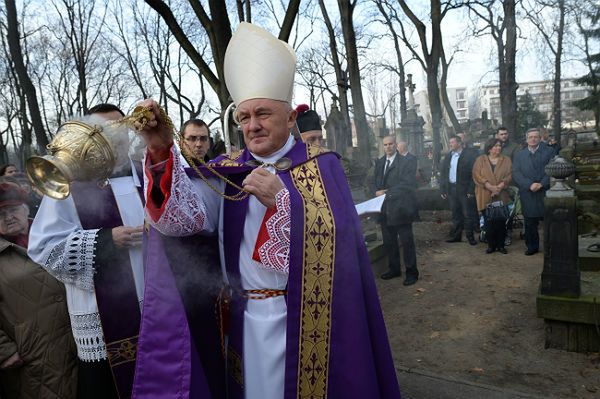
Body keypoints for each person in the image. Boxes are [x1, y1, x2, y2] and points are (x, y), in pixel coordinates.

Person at [137, 22, 401, 399]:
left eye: (263, 113)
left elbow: (343, 250)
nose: (253, 125)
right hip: (244, 319)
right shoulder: (227, 172)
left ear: (291, 118)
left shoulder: (322, 166)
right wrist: (163, 152)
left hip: (306, 320)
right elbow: (183, 220)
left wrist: (285, 201)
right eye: (244, 117)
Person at [28, 104, 145, 399]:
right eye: (105, 130)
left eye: (121, 129)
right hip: (102, 316)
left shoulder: (144, 175)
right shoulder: (68, 183)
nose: (114, 137)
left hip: (152, 307)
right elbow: (43, 247)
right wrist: (106, 241)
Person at [0, 180, 77, 399]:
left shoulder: (54, 234)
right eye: (0, 215)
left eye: (13, 210)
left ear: (26, 209)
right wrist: (4, 351)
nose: (8, 217)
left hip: (80, 338)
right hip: (35, 354)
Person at [374, 136, 419, 285]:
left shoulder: (406, 162)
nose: (388, 147)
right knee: (389, 241)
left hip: (401, 208)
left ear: (396, 145)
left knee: (407, 242)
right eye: (385, 144)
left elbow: (407, 184)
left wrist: (386, 192)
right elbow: (376, 183)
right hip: (384, 209)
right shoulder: (380, 162)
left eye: (391, 144)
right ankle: (394, 269)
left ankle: (412, 272)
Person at [512, 128, 555, 256]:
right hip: (528, 192)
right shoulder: (520, 155)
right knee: (529, 222)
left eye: (536, 137)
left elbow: (552, 169)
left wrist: (542, 183)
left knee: (549, 221)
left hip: (544, 191)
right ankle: (532, 246)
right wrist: (529, 184)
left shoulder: (549, 151)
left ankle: (551, 246)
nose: (533, 139)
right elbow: (516, 173)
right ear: (526, 139)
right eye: (530, 137)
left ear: (540, 138)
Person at [472, 138, 513, 254]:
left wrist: (499, 187)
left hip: (501, 194)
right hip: (485, 194)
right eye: (495, 146)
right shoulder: (480, 160)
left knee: (501, 222)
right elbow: (476, 175)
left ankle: (501, 245)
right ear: (489, 148)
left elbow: (510, 175)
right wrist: (489, 186)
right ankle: (491, 245)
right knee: (488, 221)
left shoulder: (506, 160)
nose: (498, 148)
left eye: (499, 146)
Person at [440, 135, 478, 245]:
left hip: (464, 189)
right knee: (455, 214)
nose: (450, 144)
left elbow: (473, 174)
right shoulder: (448, 156)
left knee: (467, 214)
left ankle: (470, 237)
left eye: (452, 142)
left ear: (459, 143)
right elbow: (443, 174)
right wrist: (443, 189)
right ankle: (456, 236)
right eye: (450, 142)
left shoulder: (468, 155)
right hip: (452, 189)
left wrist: (471, 190)